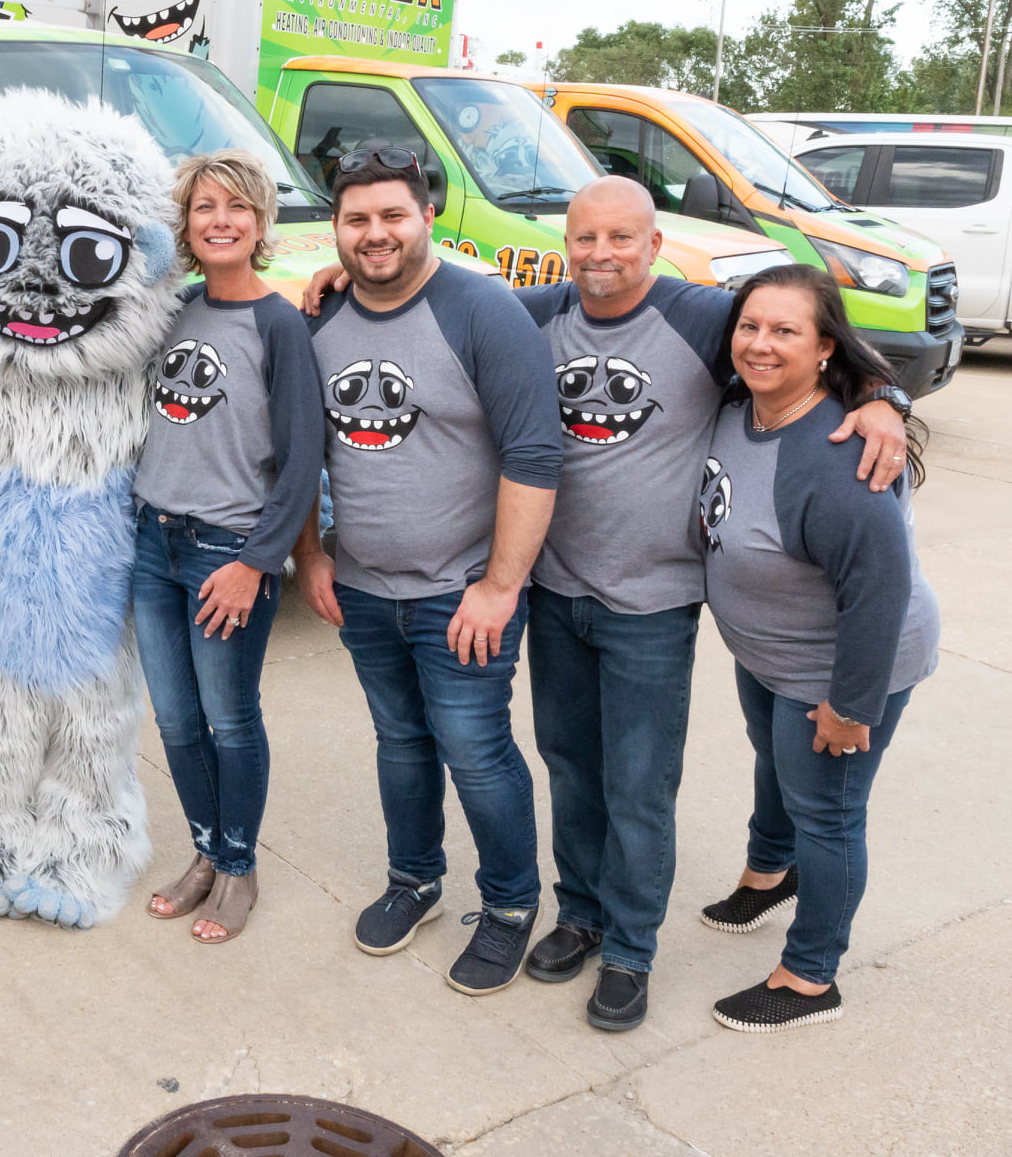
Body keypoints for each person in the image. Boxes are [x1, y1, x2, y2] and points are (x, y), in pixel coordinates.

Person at [301, 177, 910, 1030]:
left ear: (653, 245)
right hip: (554, 592)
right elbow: (426, 294)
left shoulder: (701, 318)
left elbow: (814, 334)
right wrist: (345, 279)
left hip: (651, 606)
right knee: (570, 767)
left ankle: (630, 951)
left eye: (621, 238)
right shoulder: (531, 313)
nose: (600, 255)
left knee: (638, 788)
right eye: (584, 238)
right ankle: (580, 913)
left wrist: (882, 400)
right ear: (565, 244)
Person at [292, 147, 561, 996]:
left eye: (391, 216)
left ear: (426, 218)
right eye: (356, 220)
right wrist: (310, 554)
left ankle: (511, 906)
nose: (374, 235)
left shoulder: (481, 310)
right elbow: (299, 452)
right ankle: (413, 879)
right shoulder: (318, 318)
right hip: (365, 587)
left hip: (461, 595)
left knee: (475, 753)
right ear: (335, 230)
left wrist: (498, 586)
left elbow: (534, 452)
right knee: (400, 746)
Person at [696, 264, 938, 1033]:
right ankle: (769, 873)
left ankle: (808, 978)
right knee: (776, 765)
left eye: (784, 332)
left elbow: (877, 595)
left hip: (840, 668)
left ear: (825, 348)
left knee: (828, 816)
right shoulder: (742, 404)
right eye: (749, 327)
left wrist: (848, 706)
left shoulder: (839, 457)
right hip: (770, 651)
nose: (759, 344)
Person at [132, 151, 321, 944]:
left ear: (260, 224)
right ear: (185, 222)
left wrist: (256, 561)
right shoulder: (170, 310)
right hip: (151, 542)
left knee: (228, 720)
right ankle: (204, 853)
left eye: (236, 208)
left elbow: (304, 458)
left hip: (225, 551)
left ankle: (238, 868)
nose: (219, 220)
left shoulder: (278, 324)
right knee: (174, 721)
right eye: (204, 207)